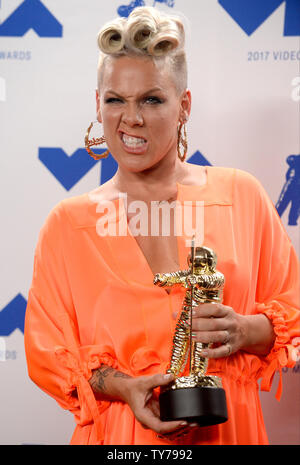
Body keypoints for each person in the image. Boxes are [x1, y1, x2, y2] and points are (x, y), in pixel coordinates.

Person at [24, 7, 299, 445]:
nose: (131, 118)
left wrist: (243, 331)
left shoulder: (240, 196)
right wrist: (121, 387)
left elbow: (295, 313)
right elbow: (48, 357)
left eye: (152, 99)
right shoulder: (67, 226)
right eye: (116, 99)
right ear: (98, 104)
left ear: (183, 105)